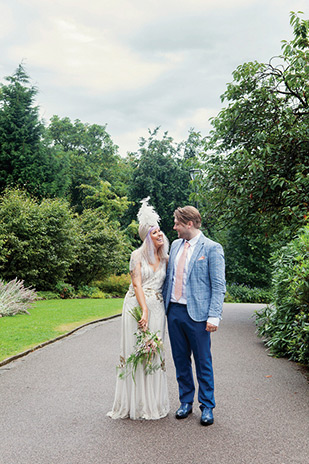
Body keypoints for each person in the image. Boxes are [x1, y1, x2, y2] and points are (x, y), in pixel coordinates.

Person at [107, 198, 170, 420]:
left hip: (158, 308)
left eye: (160, 231)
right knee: (136, 350)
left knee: (153, 351)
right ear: (147, 237)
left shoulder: (165, 259)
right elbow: (136, 284)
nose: (160, 235)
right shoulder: (137, 256)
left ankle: (151, 402)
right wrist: (144, 311)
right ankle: (133, 403)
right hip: (136, 306)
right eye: (155, 233)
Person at [163, 206, 225, 426]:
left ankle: (207, 406)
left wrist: (214, 316)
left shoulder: (212, 248)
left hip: (198, 316)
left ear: (189, 224)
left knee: (203, 362)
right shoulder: (175, 244)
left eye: (177, 223)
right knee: (180, 361)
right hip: (175, 312)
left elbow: (218, 285)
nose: (174, 227)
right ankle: (185, 402)